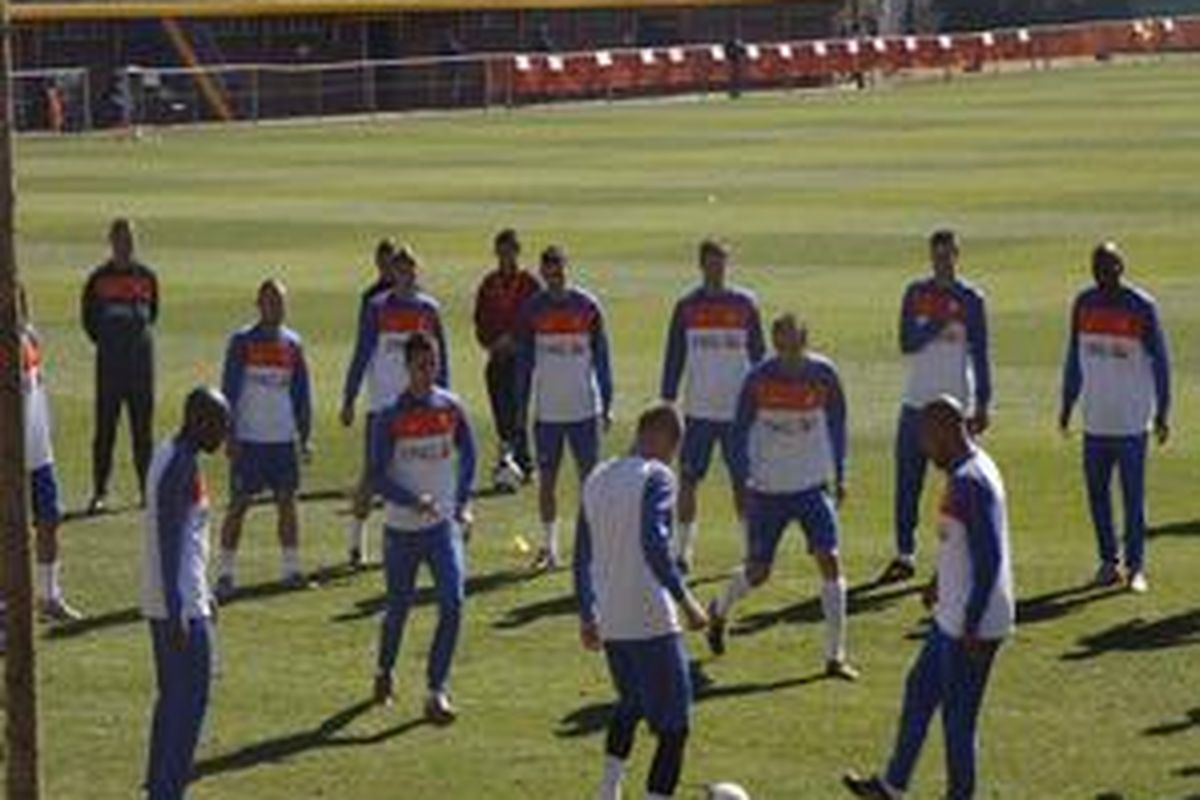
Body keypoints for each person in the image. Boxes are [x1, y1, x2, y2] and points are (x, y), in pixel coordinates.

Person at [842, 396, 1014, 800]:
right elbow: (963, 540)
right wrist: (938, 582)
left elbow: (990, 558)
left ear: (946, 430)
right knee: (919, 691)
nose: (923, 447)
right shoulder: (962, 472)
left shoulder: (973, 481)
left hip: (974, 623)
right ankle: (893, 785)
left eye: (926, 437)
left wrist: (971, 623)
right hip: (950, 615)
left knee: (958, 721)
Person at [706, 314, 858, 681]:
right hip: (769, 491)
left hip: (811, 488)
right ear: (774, 343)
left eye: (794, 342)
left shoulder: (825, 375)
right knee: (758, 573)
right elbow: (738, 433)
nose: (788, 350)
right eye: (781, 343)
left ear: (805, 339)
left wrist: (840, 473)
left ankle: (834, 656)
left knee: (831, 561)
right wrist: (743, 482)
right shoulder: (757, 379)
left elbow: (838, 424)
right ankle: (719, 608)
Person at [573, 403, 710, 800]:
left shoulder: (596, 477)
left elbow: (581, 555)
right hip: (652, 620)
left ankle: (608, 790)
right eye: (674, 445)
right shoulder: (657, 477)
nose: (673, 455)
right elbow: (653, 544)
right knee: (674, 729)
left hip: (612, 619)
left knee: (630, 702)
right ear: (663, 436)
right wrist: (686, 600)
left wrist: (587, 613)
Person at [370, 333, 475, 724]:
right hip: (401, 532)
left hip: (441, 528)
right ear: (407, 367)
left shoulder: (451, 407)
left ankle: (436, 690)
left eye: (433, 365)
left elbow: (470, 454)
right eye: (421, 366)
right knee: (398, 609)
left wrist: (463, 504)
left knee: (453, 601)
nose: (428, 372)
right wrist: (413, 501)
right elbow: (377, 477)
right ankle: (384, 670)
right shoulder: (390, 416)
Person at [880, 229, 991, 584]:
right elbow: (906, 342)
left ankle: (960, 555)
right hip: (917, 402)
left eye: (947, 255)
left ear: (957, 255)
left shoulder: (971, 298)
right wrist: (940, 323)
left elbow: (982, 352)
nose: (942, 262)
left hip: (956, 406)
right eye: (936, 255)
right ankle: (904, 553)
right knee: (906, 481)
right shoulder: (916, 293)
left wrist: (984, 403)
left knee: (961, 486)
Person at [1059, 242, 1171, 593]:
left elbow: (1162, 364)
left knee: (1133, 498)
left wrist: (1163, 412)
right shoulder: (1083, 304)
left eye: (1107, 266)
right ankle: (1109, 561)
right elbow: (1074, 358)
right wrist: (1066, 403)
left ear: (1121, 266)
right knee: (1097, 495)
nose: (1101, 273)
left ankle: (1136, 568)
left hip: (1132, 422)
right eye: (1096, 266)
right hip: (1095, 420)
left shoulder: (1141, 307)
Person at [141, 387, 230, 800]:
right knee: (190, 705)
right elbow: (168, 538)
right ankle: (167, 791)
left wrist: (204, 590)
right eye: (219, 425)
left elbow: (188, 541)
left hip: (174, 598)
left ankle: (159, 789)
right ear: (198, 420)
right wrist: (180, 609)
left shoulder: (173, 452)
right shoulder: (178, 465)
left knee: (171, 701)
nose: (224, 435)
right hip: (179, 606)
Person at [660, 238, 765, 573]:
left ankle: (749, 550)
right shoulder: (686, 306)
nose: (717, 269)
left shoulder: (746, 304)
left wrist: (762, 401)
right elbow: (674, 353)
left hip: (737, 414)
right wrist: (668, 397)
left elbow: (759, 356)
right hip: (699, 411)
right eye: (711, 263)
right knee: (689, 480)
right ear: (701, 265)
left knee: (742, 484)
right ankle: (682, 552)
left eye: (721, 263)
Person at [342, 243, 449, 567]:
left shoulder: (429, 309)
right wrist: (349, 397)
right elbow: (362, 352)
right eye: (400, 269)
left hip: (420, 404)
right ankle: (356, 542)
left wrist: (444, 397)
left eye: (410, 269)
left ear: (416, 271)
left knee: (419, 472)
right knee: (374, 474)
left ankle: (418, 540)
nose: (405, 275)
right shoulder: (377, 307)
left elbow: (441, 358)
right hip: (383, 404)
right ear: (392, 272)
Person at [516, 245, 613, 571]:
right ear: (542, 274)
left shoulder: (587, 306)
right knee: (547, 481)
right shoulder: (533, 310)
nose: (555, 278)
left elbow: (602, 358)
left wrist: (608, 402)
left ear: (567, 270)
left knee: (591, 483)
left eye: (560, 272)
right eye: (550, 273)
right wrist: (520, 403)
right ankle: (549, 548)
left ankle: (594, 547)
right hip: (548, 412)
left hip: (585, 410)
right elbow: (525, 363)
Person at [215, 279, 313, 600]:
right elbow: (228, 392)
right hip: (250, 440)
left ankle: (291, 569)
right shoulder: (242, 342)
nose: (276, 308)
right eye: (270, 302)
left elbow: (301, 394)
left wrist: (305, 436)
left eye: (280, 302)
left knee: (287, 502)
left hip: (282, 439)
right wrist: (229, 434)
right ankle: (225, 575)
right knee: (239, 505)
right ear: (259, 305)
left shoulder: (292, 344)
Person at [9, 286, 83, 622]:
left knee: (50, 520)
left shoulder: (30, 336)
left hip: (40, 450)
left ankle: (49, 596)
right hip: (11, 457)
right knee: (11, 533)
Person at [81, 217, 160, 514]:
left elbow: (151, 316)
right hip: (110, 367)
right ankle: (100, 491)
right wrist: (111, 345)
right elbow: (89, 323)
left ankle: (146, 490)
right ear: (111, 242)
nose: (125, 246)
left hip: (141, 367)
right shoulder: (98, 279)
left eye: (129, 240)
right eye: (119, 240)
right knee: (105, 430)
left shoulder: (148, 277)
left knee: (143, 432)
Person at [473, 228, 541, 482]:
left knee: (518, 410)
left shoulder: (529, 284)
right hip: (496, 357)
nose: (505, 257)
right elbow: (479, 319)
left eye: (510, 251)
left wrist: (515, 340)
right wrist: (491, 343)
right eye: (501, 252)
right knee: (500, 411)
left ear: (517, 252)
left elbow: (536, 320)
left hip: (521, 358)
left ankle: (524, 461)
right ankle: (507, 459)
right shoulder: (489, 284)